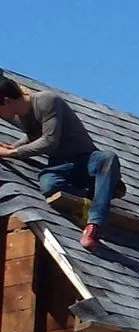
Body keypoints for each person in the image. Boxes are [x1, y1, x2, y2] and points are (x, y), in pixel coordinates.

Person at [0, 77, 126, 250]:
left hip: (86, 160)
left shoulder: (47, 100)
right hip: (61, 165)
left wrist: (11, 153)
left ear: (7, 101)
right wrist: (13, 146)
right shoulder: (22, 115)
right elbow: (33, 135)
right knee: (49, 184)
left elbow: (49, 141)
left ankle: (95, 224)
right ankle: (99, 191)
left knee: (108, 158)